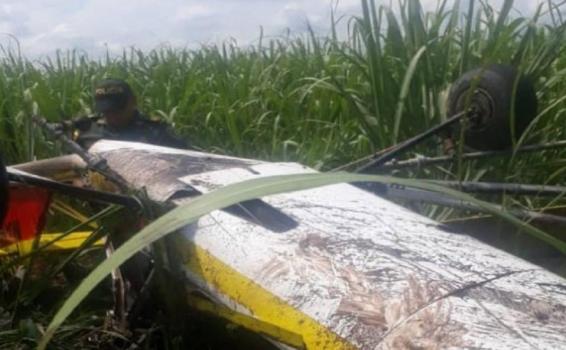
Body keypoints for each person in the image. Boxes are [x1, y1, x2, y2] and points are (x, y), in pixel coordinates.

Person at [68, 79, 188, 149]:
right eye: (107, 111)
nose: (112, 115)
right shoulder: (87, 132)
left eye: (118, 109)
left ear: (133, 101)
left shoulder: (157, 132)